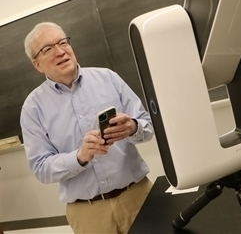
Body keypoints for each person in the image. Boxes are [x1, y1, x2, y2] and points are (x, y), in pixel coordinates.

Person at [20, 22, 154, 234]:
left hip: (137, 197)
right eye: (48, 49)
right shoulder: (32, 108)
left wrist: (132, 127)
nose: (60, 51)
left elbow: (147, 124)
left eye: (63, 42)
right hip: (88, 214)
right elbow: (40, 168)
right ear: (37, 64)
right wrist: (80, 156)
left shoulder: (108, 78)